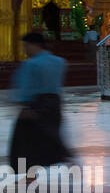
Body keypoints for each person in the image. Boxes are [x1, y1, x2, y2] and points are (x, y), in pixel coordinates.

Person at [7, 30, 69, 181]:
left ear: (36, 45)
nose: (25, 50)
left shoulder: (31, 64)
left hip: (35, 104)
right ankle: (67, 158)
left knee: (25, 140)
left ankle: (30, 174)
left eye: (27, 46)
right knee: (51, 135)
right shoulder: (59, 61)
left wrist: (24, 106)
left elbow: (26, 86)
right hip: (54, 103)